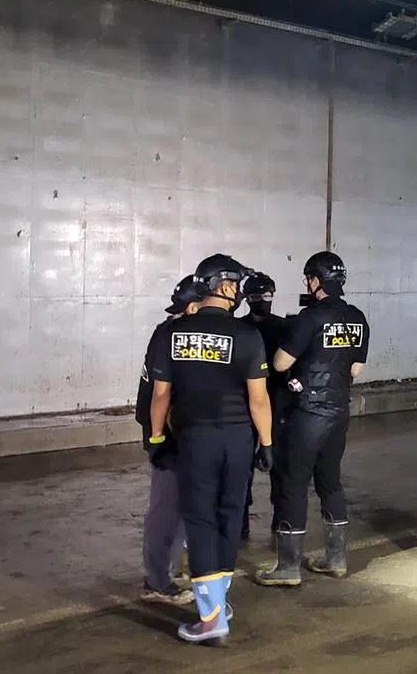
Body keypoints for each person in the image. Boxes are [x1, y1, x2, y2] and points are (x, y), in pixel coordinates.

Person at [149, 254, 276, 644]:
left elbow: (160, 394)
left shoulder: (174, 333)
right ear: (222, 287)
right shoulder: (248, 336)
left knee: (200, 519)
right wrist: (267, 444)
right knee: (228, 517)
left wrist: (156, 438)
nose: (237, 291)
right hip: (238, 439)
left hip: (196, 439)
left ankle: (212, 618)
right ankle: (219, 599)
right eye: (234, 284)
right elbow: (259, 400)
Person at [256, 251, 369, 587]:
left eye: (309, 277)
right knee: (330, 482)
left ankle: (288, 568)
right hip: (339, 410)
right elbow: (356, 369)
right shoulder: (357, 317)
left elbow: (279, 363)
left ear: (317, 280)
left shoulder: (310, 318)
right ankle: (336, 559)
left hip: (308, 412)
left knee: (293, 482)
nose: (307, 283)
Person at [135, 275, 204, 605]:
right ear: (193, 307)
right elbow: (162, 394)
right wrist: (159, 437)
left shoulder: (168, 332)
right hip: (165, 433)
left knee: (178, 506)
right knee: (166, 509)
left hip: (169, 431)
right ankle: (158, 580)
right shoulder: (172, 337)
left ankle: (169, 571)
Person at [238, 272, 290, 540]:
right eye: (259, 296)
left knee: (278, 464)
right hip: (248, 404)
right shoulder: (240, 329)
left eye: (268, 295)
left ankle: (281, 515)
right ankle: (242, 519)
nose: (264, 301)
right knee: (242, 466)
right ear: (248, 298)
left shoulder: (282, 327)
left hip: (277, 402)